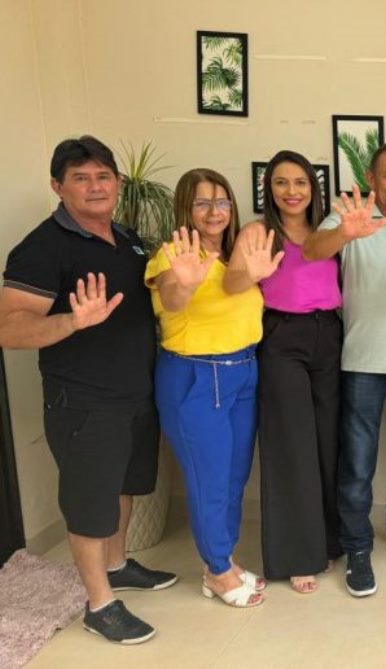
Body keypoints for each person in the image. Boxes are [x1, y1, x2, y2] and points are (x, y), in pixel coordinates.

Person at [0, 136, 176, 644]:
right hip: (83, 401)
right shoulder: (42, 247)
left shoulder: (128, 238)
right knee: (90, 502)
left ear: (117, 183)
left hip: (135, 393)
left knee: (123, 487)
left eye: (102, 176)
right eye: (81, 178)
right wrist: (71, 322)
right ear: (58, 187)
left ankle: (117, 566)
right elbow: (9, 327)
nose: (95, 186)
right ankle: (100, 603)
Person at [303, 142, 386, 597]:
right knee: (357, 463)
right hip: (361, 362)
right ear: (372, 180)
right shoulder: (349, 217)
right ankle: (357, 546)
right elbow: (311, 251)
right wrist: (345, 234)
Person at [224, 150, 343, 594]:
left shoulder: (327, 231)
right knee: (291, 445)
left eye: (300, 182)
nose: (291, 191)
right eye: (281, 182)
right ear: (268, 189)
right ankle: (297, 555)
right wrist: (249, 272)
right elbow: (231, 283)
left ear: (313, 188)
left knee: (327, 442)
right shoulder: (258, 232)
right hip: (282, 338)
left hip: (329, 335)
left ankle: (327, 540)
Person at [148, 168, 266, 608]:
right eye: (202, 203)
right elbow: (172, 300)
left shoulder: (237, 256)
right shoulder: (173, 256)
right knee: (209, 479)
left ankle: (222, 561)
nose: (214, 212)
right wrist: (186, 283)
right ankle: (217, 570)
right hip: (197, 376)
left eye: (221, 201)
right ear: (185, 207)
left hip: (243, 371)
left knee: (233, 476)